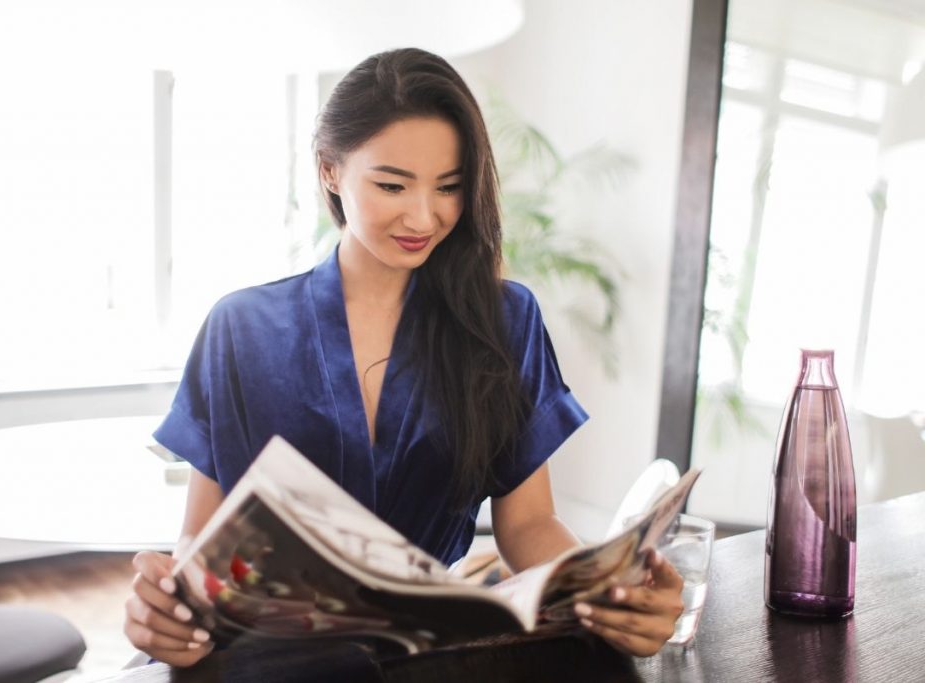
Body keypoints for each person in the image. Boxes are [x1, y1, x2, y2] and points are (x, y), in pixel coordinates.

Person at [124, 47, 684, 667]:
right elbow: (201, 538)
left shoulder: (503, 322)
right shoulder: (240, 328)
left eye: (449, 187)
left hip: (419, 657)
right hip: (262, 657)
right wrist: (164, 603)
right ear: (330, 171)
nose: (425, 216)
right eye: (392, 185)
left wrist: (605, 595)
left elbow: (526, 526)